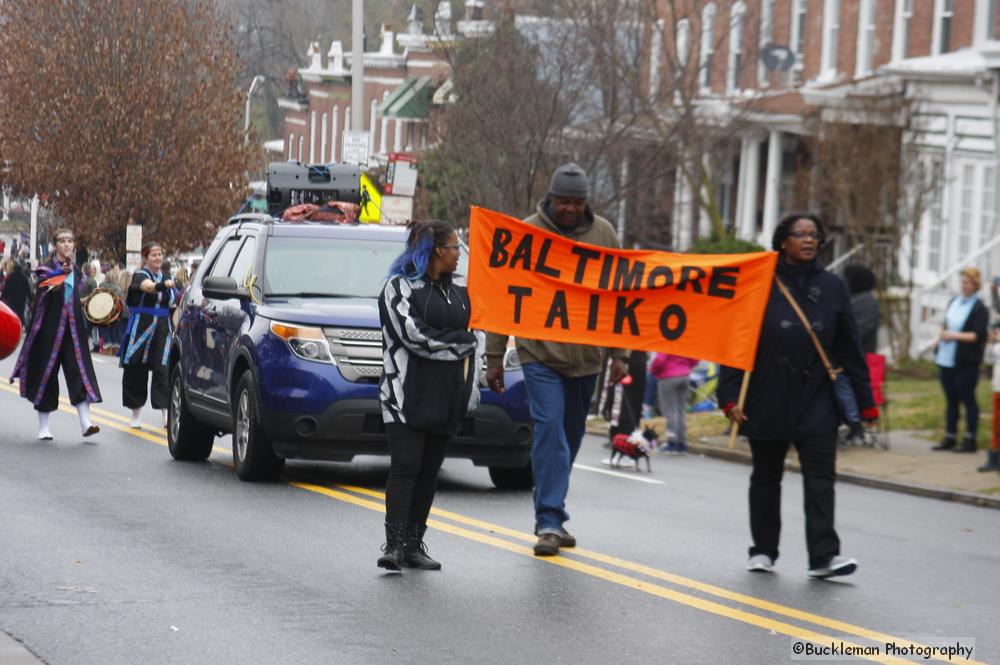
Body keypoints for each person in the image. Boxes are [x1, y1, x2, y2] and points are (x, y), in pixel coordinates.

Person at [718, 213, 877, 579]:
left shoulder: (834, 287)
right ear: (782, 241)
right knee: (766, 477)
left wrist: (866, 401)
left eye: (814, 235)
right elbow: (735, 341)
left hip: (817, 398)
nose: (809, 240)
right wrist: (728, 397)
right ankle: (762, 551)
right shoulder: (759, 282)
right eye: (800, 234)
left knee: (821, 478)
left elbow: (850, 348)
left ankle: (824, 557)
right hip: (766, 396)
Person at [485, 163, 629, 557]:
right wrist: (494, 357)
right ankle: (548, 521)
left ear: (586, 202)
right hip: (539, 354)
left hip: (587, 358)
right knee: (549, 431)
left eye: (577, 202)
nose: (569, 208)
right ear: (550, 197)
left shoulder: (604, 233)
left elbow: (617, 295)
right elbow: (504, 295)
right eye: (563, 201)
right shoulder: (527, 232)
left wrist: (620, 353)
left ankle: (555, 510)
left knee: (570, 438)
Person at [376, 219, 484, 572]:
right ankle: (392, 545)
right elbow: (413, 337)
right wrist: (462, 344)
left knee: (428, 471)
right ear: (438, 250)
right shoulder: (398, 288)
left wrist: (473, 357)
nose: (459, 255)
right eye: (455, 248)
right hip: (403, 394)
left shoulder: (460, 292)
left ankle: (412, 544)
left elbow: (478, 334)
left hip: (448, 396)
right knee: (406, 467)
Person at [8, 228, 102, 439]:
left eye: (70, 240)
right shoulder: (44, 269)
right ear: (55, 245)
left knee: (79, 372)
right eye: (63, 241)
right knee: (46, 374)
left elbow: (73, 297)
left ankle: (85, 422)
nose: (67, 244)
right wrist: (63, 273)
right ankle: (44, 427)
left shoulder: (77, 271)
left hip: (73, 331)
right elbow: (48, 285)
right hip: (48, 329)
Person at [932, 267, 989, 453]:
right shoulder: (954, 302)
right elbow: (946, 324)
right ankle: (950, 435)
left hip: (966, 361)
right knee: (951, 400)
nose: (963, 286)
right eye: (962, 282)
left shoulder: (979, 308)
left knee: (967, 398)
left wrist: (954, 336)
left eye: (967, 282)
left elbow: (978, 335)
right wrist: (939, 338)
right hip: (947, 358)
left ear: (975, 285)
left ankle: (970, 438)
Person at [120, 242, 176, 429]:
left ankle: (166, 414)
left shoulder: (167, 276)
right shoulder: (140, 275)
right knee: (136, 368)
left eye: (160, 254)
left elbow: (173, 304)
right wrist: (163, 285)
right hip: (142, 325)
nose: (158, 258)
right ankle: (135, 414)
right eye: (154, 255)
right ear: (145, 258)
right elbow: (150, 288)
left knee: (164, 369)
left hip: (162, 327)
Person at [651, 352, 699, 453]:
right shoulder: (685, 340)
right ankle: (682, 441)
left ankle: (672, 441)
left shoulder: (667, 339)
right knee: (680, 410)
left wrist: (654, 371)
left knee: (670, 410)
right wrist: (686, 367)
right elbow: (695, 359)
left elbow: (660, 360)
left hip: (668, 376)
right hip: (684, 375)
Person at [842, 264, 878, 355]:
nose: (843, 281)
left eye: (846, 278)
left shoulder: (867, 300)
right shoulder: (853, 297)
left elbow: (862, 329)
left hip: (860, 355)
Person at [980, 323, 1000, 472]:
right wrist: (991, 341)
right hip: (997, 386)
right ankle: (994, 457)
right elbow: (987, 360)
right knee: (996, 424)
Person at [1, 258, 30, 328]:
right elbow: (28, 290)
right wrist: (31, 298)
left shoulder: (10, 277)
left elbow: (6, 289)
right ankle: (20, 326)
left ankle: (11, 326)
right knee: (20, 315)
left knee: (11, 314)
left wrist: (2, 297)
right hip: (21, 300)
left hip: (11, 300)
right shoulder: (24, 278)